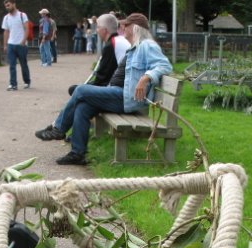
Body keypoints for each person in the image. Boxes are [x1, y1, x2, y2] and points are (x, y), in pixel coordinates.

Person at [34, 13, 172, 166]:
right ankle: (77, 153)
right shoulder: (135, 47)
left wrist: (146, 77)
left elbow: (165, 66)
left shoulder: (147, 45)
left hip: (127, 98)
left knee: (80, 91)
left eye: (126, 25)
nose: (122, 27)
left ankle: (58, 129)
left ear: (135, 28)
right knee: (83, 106)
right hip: (119, 94)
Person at [68, 13, 130, 95]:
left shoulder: (110, 45)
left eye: (98, 27)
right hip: (123, 86)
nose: (96, 30)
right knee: (79, 91)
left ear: (104, 30)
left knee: (76, 90)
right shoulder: (120, 40)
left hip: (117, 89)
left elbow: (103, 77)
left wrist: (86, 87)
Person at [2, 0, 30, 90]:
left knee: (23, 64)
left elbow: (27, 29)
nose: (7, 7)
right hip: (11, 44)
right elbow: (6, 31)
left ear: (14, 4)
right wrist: (5, 45)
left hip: (21, 44)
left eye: (8, 5)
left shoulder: (22, 15)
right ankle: (13, 84)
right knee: (12, 65)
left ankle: (27, 81)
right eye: (6, 6)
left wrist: (23, 40)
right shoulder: (6, 18)